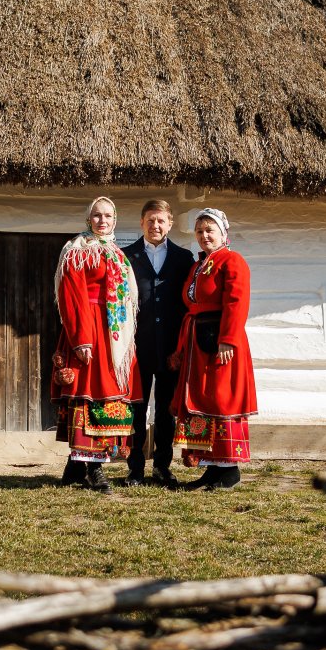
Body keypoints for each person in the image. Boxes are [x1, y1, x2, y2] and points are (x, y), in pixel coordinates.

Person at [51, 196, 140, 491]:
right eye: (97, 216)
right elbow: (71, 296)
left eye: (108, 216)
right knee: (88, 396)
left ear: (115, 220)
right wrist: (81, 339)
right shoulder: (78, 250)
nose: (103, 221)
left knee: (108, 397)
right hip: (89, 330)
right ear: (88, 219)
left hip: (111, 334)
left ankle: (77, 467)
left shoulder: (115, 253)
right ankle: (93, 468)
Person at [170, 208, 257, 490]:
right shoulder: (199, 265)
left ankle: (229, 469)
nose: (204, 236)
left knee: (221, 400)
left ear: (223, 234)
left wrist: (227, 340)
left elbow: (237, 302)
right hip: (198, 340)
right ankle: (211, 467)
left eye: (210, 230)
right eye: (199, 231)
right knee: (204, 401)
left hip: (220, 341)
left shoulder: (232, 261)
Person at [121, 199, 195, 488]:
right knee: (136, 411)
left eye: (161, 220)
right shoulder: (127, 256)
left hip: (170, 351)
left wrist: (182, 347)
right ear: (141, 222)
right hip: (137, 348)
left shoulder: (183, 258)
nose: (155, 225)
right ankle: (135, 469)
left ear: (170, 223)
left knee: (166, 411)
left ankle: (163, 467)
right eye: (150, 220)